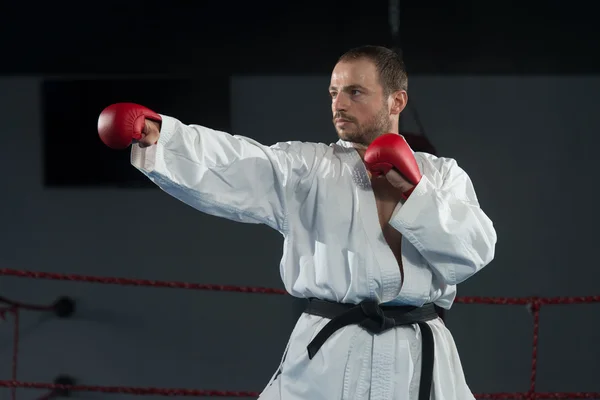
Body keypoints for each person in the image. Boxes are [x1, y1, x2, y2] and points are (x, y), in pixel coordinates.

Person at [97, 45, 497, 399]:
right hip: (333, 353)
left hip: (420, 356)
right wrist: (161, 135)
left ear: (396, 101)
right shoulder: (309, 168)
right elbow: (239, 161)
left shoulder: (441, 176)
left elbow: (474, 251)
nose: (338, 104)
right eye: (334, 92)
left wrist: (415, 192)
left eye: (355, 92)